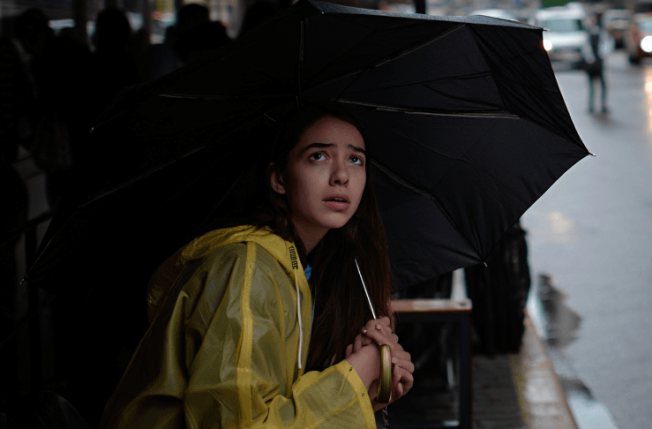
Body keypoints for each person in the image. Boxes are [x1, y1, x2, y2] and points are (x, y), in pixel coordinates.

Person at [101, 107, 416, 429]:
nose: (341, 176)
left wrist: (365, 394)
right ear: (278, 179)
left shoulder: (296, 270)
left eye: (355, 160)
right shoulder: (248, 269)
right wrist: (355, 374)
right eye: (318, 156)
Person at [579, 18, 609, 113]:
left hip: (598, 64)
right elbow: (585, 48)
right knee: (593, 86)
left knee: (601, 86)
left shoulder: (601, 35)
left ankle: (602, 105)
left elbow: (607, 45)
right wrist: (590, 58)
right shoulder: (589, 36)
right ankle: (592, 106)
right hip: (592, 65)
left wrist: (602, 55)